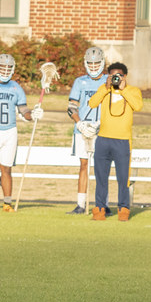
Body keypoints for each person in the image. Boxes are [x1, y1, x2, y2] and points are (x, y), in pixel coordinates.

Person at [0, 54, 43, 212]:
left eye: (8, 68)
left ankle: (7, 203)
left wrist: (33, 114)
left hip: (10, 132)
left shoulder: (16, 88)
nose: (5, 71)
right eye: (3, 67)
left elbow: (23, 111)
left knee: (7, 169)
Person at [88, 62, 143, 221]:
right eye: (112, 76)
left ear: (125, 76)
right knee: (101, 177)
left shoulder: (133, 91)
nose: (116, 78)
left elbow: (138, 106)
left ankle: (123, 209)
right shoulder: (104, 89)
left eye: (119, 75)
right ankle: (99, 209)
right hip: (103, 139)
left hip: (123, 141)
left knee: (123, 178)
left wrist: (124, 90)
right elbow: (92, 103)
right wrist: (106, 88)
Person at [65, 47, 108, 215]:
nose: (93, 66)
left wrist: (101, 123)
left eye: (96, 63)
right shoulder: (79, 82)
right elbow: (71, 107)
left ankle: (103, 204)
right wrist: (80, 123)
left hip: (102, 130)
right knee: (83, 165)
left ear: (102, 63)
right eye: (90, 63)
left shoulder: (108, 80)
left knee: (102, 168)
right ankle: (81, 204)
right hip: (82, 130)